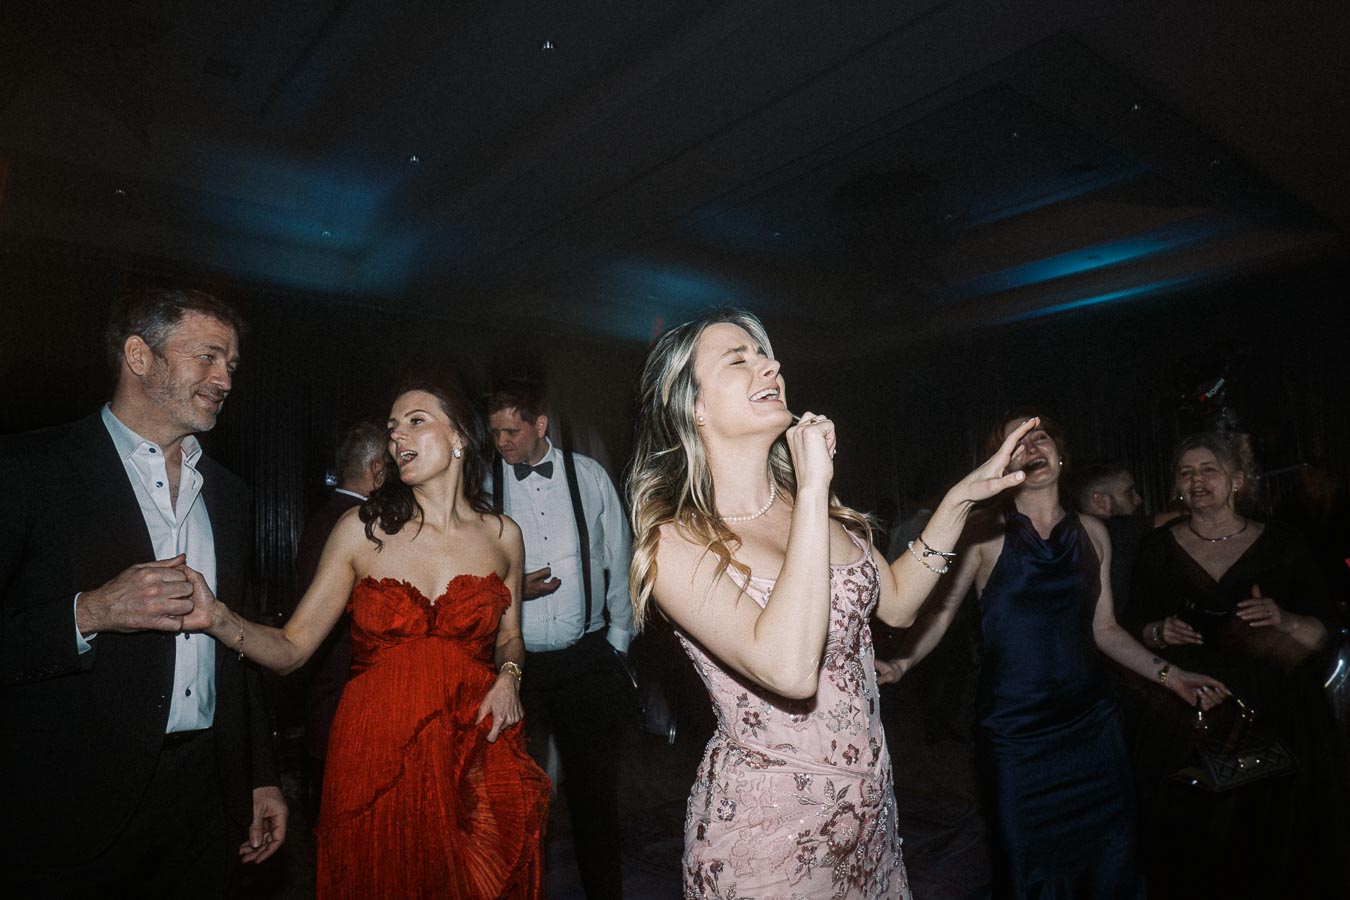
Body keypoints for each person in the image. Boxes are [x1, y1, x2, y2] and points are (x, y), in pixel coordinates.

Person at [625, 308, 1038, 899]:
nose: (771, 365)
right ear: (693, 406)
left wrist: (957, 503)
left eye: (765, 354)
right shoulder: (676, 541)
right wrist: (815, 486)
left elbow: (896, 605)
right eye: (738, 359)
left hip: (870, 817)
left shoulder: (807, 506)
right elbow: (789, 671)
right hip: (768, 839)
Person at [192, 381, 550, 898]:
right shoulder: (361, 532)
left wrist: (509, 678)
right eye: (392, 427)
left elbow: (510, 636)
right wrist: (219, 619)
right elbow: (291, 649)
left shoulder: (503, 536)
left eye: (416, 420)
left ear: (459, 437)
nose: (397, 435)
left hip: (472, 742)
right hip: (376, 747)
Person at [0, 287, 286, 895]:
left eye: (231, 365)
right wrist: (91, 612)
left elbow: (235, 654)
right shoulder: (30, 468)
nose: (224, 380)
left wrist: (259, 773)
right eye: (207, 357)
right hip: (71, 807)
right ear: (139, 355)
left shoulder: (230, 495)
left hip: (204, 801)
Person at [890, 412, 1225, 899]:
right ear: (1002, 465)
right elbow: (940, 613)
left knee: (1111, 860)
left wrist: (1172, 676)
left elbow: (1105, 630)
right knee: (1030, 867)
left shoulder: (1094, 532)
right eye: (1017, 444)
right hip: (1014, 733)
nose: (1031, 448)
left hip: (1092, 728)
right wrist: (902, 662)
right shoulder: (984, 533)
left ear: (1060, 454)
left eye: (1040, 437)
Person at [1128, 432, 1350, 899]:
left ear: (1237, 480)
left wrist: (1284, 619)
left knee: (1276, 842)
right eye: (1186, 472)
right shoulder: (1155, 549)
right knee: (1198, 843)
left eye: (1209, 469)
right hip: (1190, 714)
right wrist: (1158, 631)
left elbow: (1323, 630)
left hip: (1276, 714)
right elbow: (1129, 630)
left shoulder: (1284, 544)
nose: (1197, 480)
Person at [486, 382, 634, 899]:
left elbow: (619, 556)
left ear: (540, 424)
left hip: (586, 659)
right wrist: (511, 590)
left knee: (594, 797)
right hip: (514, 665)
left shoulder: (588, 476)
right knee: (512, 796)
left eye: (512, 431)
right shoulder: (483, 486)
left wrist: (618, 643)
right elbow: (469, 570)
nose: (502, 442)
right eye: (495, 432)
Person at [296, 420, 387, 795]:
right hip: (351, 698)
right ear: (378, 471)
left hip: (326, 694)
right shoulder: (361, 525)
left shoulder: (322, 517)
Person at [1073, 461, 1149, 616]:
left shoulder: (1074, 535)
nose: (1138, 500)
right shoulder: (1116, 530)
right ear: (1100, 500)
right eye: (1129, 492)